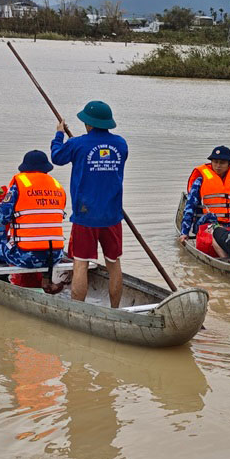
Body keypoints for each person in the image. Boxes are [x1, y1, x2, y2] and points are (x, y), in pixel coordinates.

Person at [48, 100, 129, 307]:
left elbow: (56, 157)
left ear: (89, 123)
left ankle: (78, 310)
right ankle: (115, 310)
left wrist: (59, 134)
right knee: (114, 264)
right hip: (112, 215)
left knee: (80, 264)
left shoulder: (77, 144)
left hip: (85, 216)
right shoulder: (121, 144)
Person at [0, 150, 66, 292]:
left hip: (27, 257)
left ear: (24, 169)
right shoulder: (57, 187)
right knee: (44, 241)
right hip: (55, 255)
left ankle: (1, 283)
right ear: (47, 169)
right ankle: (46, 279)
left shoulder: (19, 185)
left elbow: (1, 218)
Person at [179, 145, 230, 237]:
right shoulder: (200, 181)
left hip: (229, 225)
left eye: (222, 163)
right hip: (206, 225)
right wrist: (184, 232)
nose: (218, 166)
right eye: (215, 162)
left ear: (229, 164)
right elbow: (190, 207)